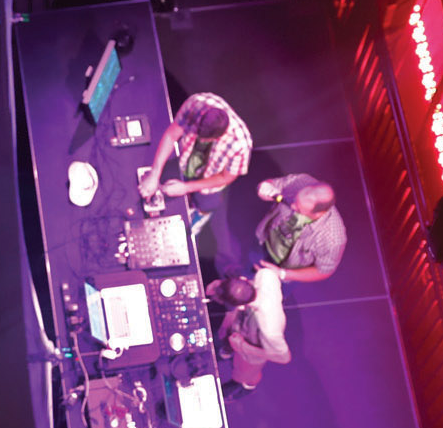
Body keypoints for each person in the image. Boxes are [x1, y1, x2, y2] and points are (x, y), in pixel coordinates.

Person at [214, 174, 347, 376]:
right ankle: (233, 316)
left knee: (255, 315)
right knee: (244, 285)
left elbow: (323, 271)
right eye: (294, 200)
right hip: (263, 246)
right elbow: (267, 186)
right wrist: (265, 188)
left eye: (298, 208)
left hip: (286, 271)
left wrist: (283, 273)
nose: (292, 205)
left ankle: (234, 340)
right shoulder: (301, 183)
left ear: (318, 214)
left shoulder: (332, 238)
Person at [136, 91, 252, 272]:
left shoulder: (241, 144)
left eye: (205, 139)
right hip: (186, 162)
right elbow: (171, 136)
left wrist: (186, 188)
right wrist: (154, 174)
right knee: (162, 188)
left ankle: (195, 222)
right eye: (198, 134)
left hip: (211, 179)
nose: (200, 139)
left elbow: (226, 177)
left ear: (219, 136)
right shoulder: (196, 103)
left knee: (208, 204)